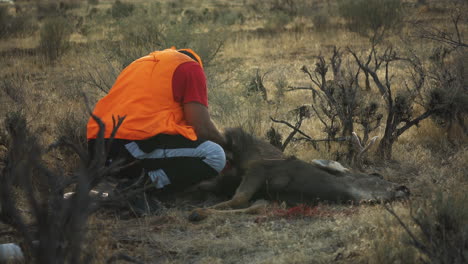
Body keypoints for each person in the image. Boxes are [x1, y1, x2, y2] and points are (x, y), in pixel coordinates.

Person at [87, 47, 226, 192]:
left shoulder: (140, 65)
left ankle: (123, 185)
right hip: (129, 147)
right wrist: (229, 148)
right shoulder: (190, 67)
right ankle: (135, 190)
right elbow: (201, 126)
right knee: (214, 155)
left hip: (97, 150)